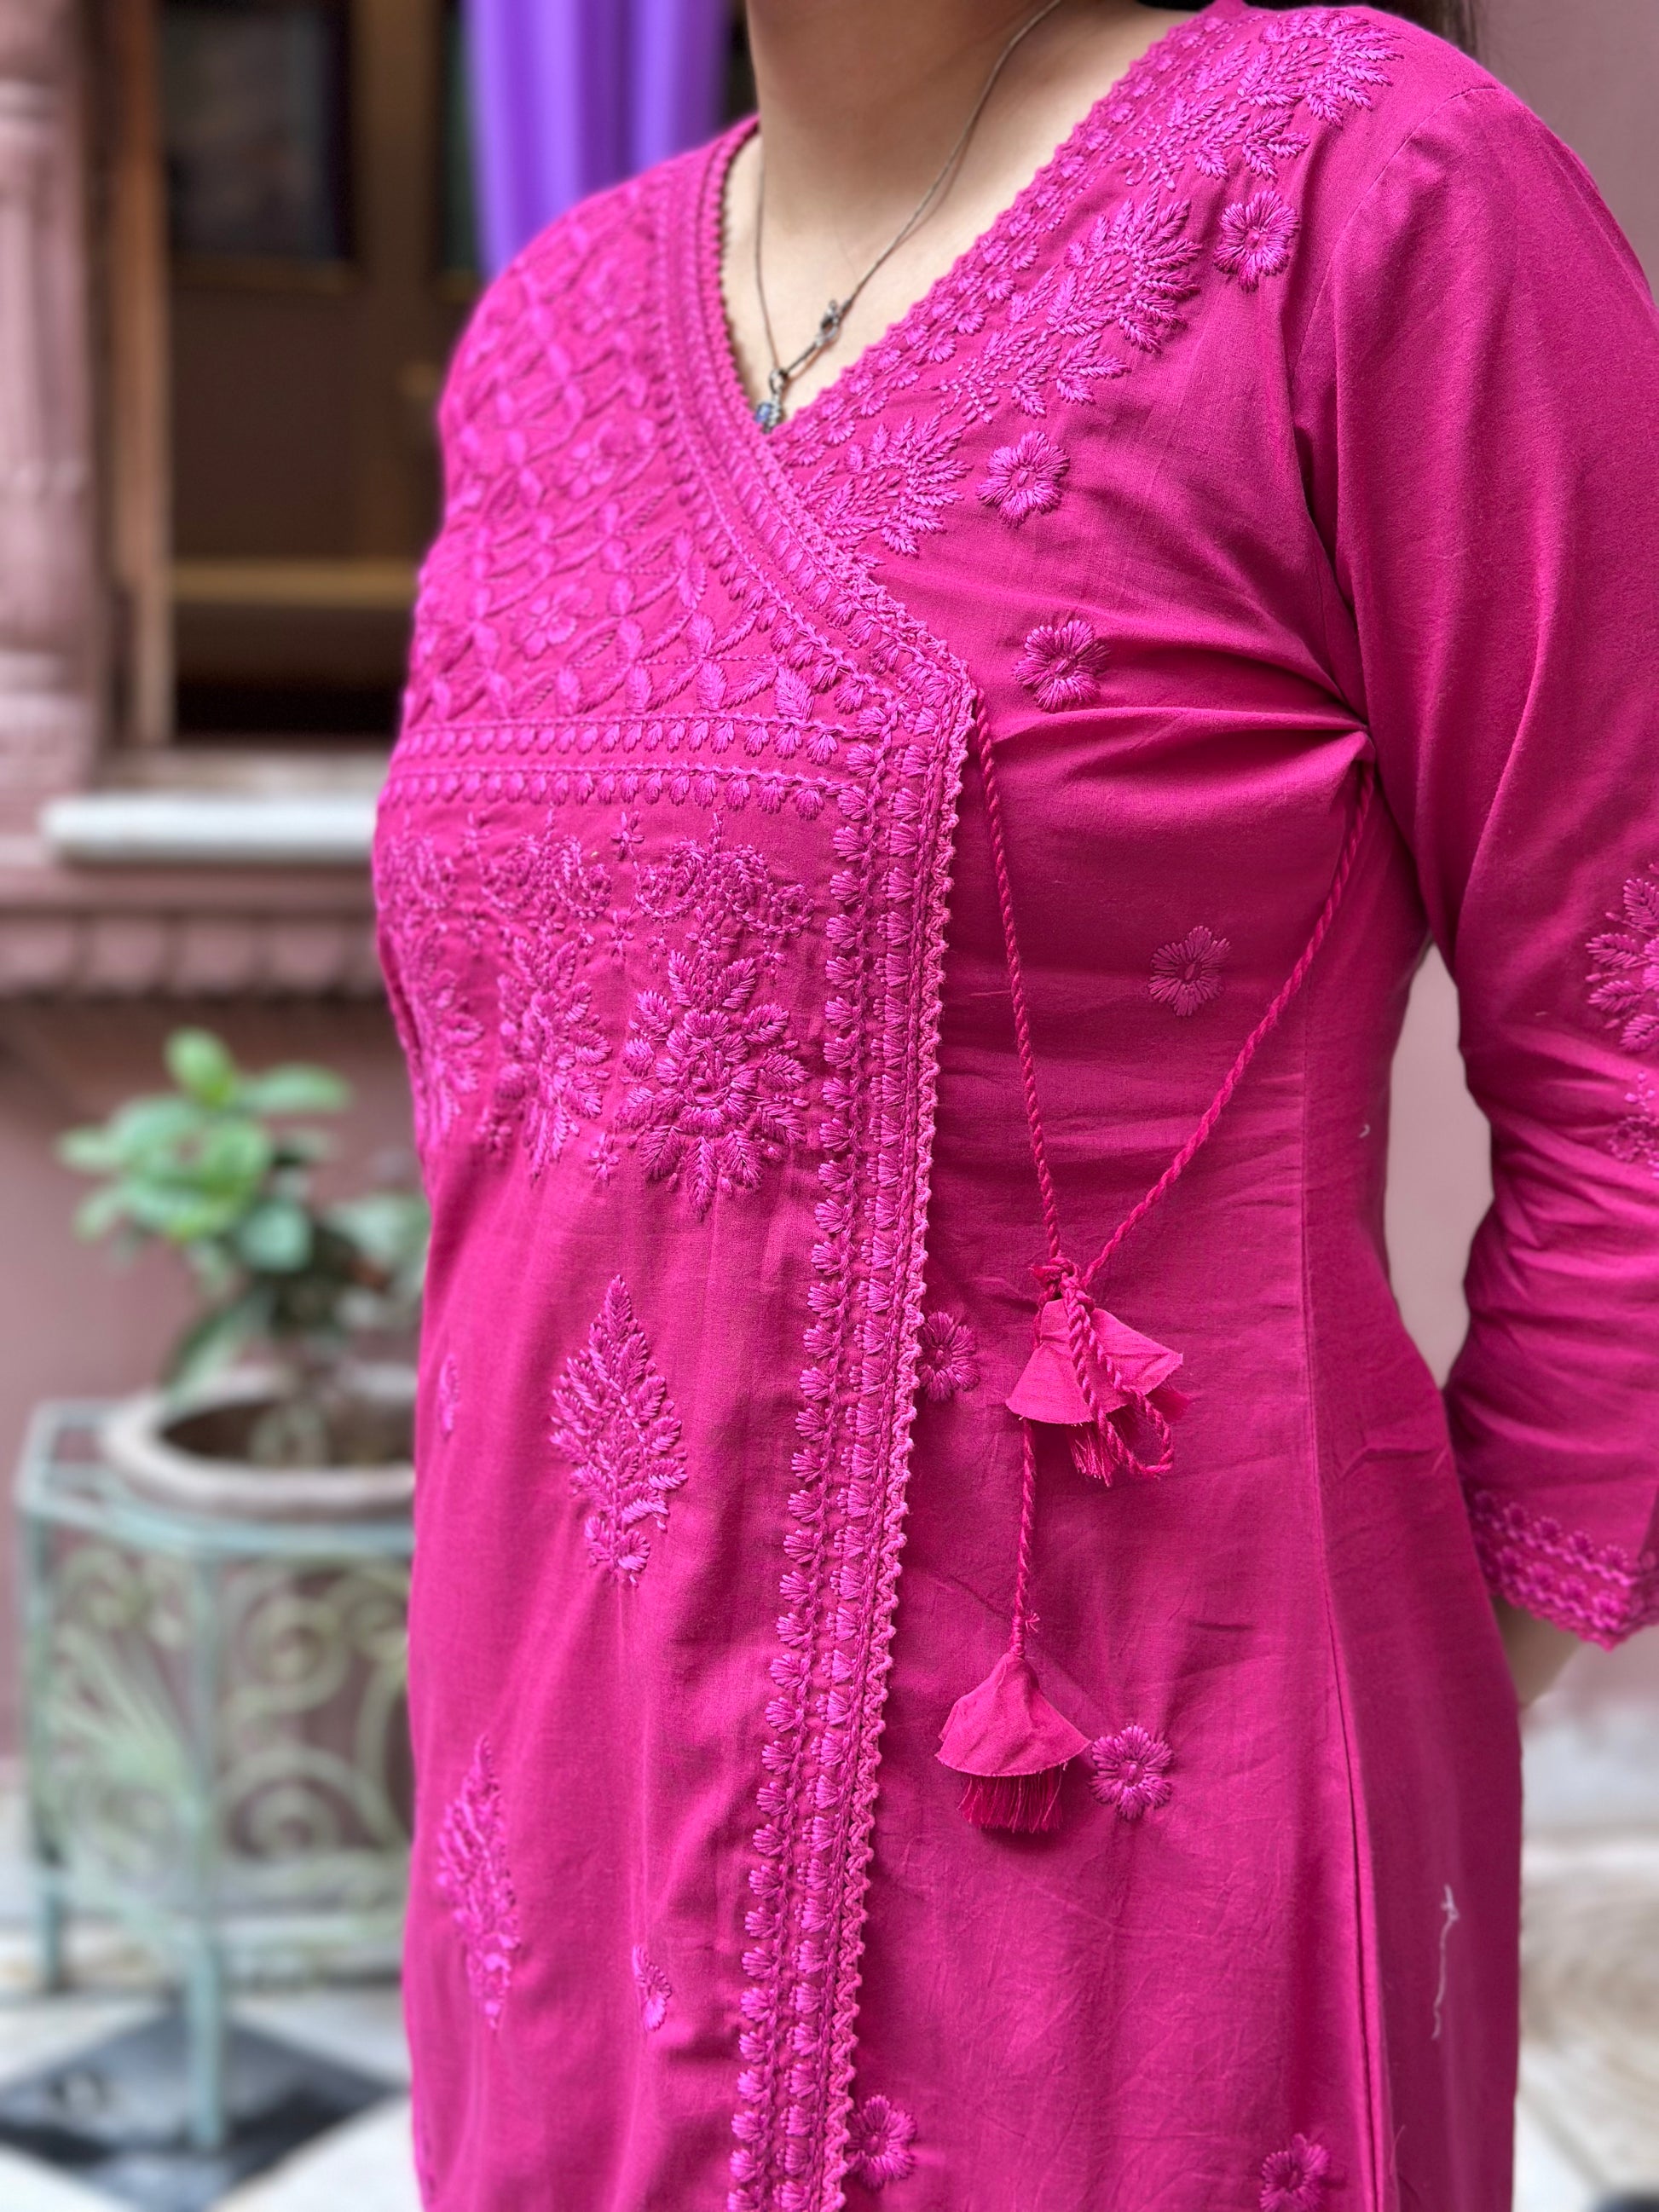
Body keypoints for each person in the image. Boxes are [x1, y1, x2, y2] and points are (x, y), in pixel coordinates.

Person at [373, 2, 1659, 2205]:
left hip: (1114, 1844)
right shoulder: (547, 327)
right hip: (551, 1861)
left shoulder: (1357, 191)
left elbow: (1631, 1030)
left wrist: (1438, 1665)